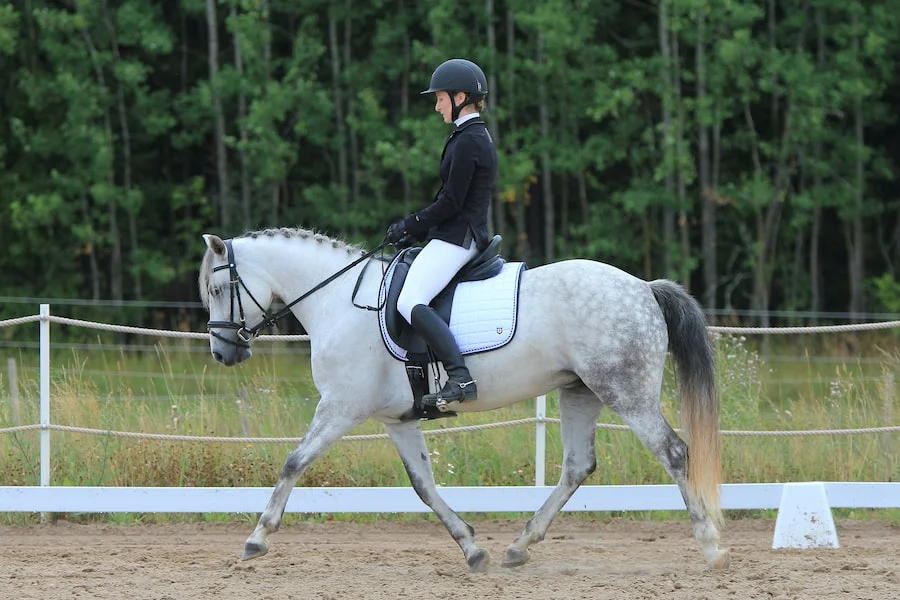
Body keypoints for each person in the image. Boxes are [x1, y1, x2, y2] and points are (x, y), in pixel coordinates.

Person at [385, 58, 498, 409]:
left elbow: (451, 201)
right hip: (452, 233)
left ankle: (459, 376)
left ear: (460, 96)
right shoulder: (468, 136)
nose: (437, 107)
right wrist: (417, 231)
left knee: (408, 301)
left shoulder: (470, 141)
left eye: (440, 99)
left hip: (459, 238)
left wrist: (411, 225)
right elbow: (448, 198)